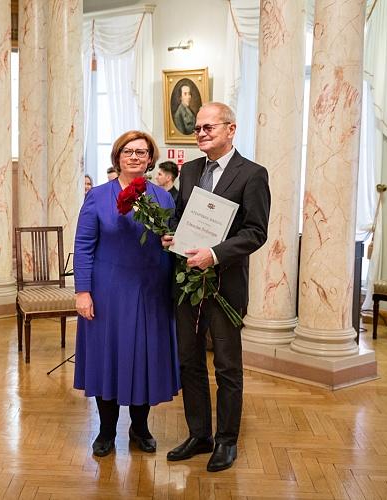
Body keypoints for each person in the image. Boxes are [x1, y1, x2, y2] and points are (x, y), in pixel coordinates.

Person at [162, 102, 270, 472]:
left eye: (210, 127)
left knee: (226, 367)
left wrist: (215, 254)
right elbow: (180, 215)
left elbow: (256, 232)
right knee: (189, 361)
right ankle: (199, 434)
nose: (202, 133)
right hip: (186, 283)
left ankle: (226, 441)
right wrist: (171, 235)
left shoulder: (252, 174)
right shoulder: (189, 170)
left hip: (225, 285)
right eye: (198, 129)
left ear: (231, 129)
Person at [74, 130, 180, 457]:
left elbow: (173, 239)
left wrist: (171, 241)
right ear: (118, 156)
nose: (134, 157)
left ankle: (140, 427)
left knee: (144, 358)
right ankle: (106, 431)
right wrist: (83, 292)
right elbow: (83, 246)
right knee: (108, 357)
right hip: (108, 290)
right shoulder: (98, 196)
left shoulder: (163, 197)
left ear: (150, 159)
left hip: (151, 289)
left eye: (142, 152)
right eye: (128, 151)